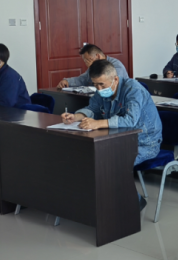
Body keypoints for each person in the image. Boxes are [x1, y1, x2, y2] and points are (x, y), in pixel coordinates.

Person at [62, 60, 162, 211]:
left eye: (102, 85)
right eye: (95, 84)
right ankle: (97, 204)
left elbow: (131, 120)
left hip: (145, 143)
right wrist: (75, 117)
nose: (99, 89)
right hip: (118, 140)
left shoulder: (133, 90)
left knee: (112, 164)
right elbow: (93, 108)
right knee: (90, 159)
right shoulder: (101, 89)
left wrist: (98, 123)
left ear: (115, 79)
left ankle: (135, 202)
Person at [57, 44, 128, 88]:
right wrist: (67, 81)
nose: (86, 64)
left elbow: (112, 85)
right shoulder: (95, 65)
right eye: (85, 61)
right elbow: (83, 79)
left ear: (98, 56)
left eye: (88, 60)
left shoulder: (116, 66)